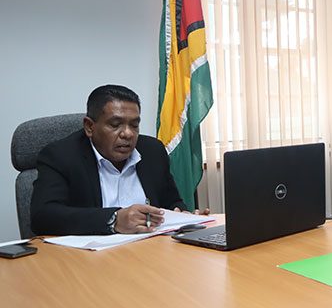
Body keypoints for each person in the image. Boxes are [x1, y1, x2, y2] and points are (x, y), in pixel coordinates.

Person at [31, 84, 206, 236]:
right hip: (90, 259)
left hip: (150, 252)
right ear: (90, 127)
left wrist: (184, 215)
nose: (128, 133)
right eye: (115, 125)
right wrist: (114, 219)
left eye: (134, 125)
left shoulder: (152, 151)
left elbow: (171, 201)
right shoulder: (61, 156)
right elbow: (43, 217)